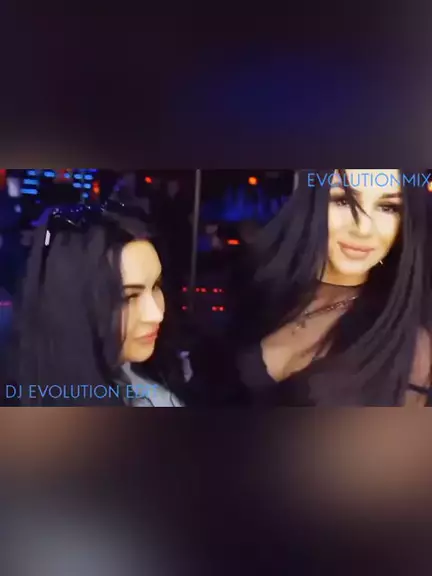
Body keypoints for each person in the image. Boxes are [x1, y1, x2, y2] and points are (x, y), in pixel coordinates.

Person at [230, 169, 432, 406]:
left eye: (387, 207)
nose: (363, 228)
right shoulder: (261, 286)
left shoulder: (413, 343)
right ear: (313, 203)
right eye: (343, 201)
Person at [5, 201, 190, 407]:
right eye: (129, 297)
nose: (156, 314)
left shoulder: (157, 371)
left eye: (155, 286)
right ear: (73, 304)